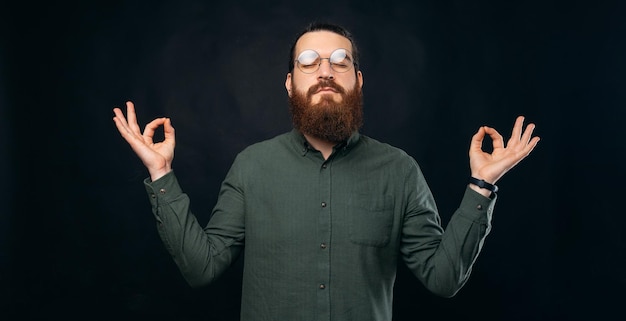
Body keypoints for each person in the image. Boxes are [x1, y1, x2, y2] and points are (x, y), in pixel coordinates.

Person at [113, 22, 540, 321]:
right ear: (289, 83)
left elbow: (443, 278)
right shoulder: (252, 166)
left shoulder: (399, 170)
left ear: (357, 80)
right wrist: (161, 173)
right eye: (308, 62)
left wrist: (482, 185)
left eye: (339, 62)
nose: (324, 72)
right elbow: (201, 268)